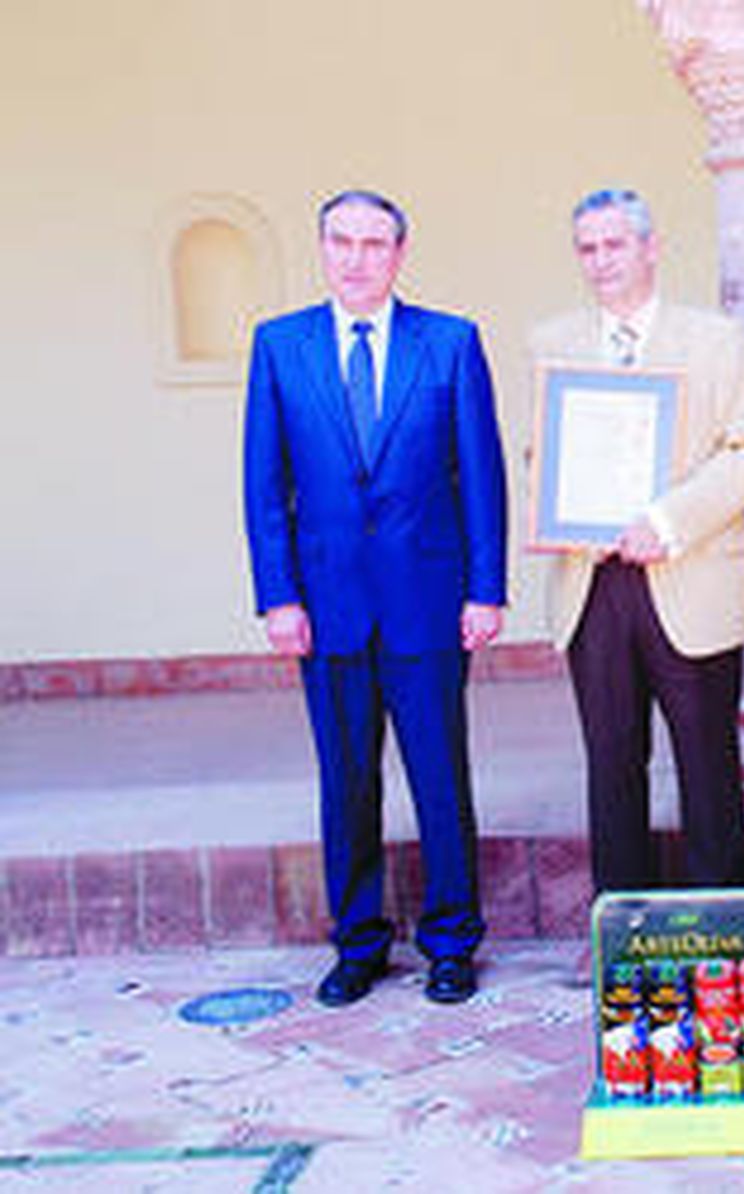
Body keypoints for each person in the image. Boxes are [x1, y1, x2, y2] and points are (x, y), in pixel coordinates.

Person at [243, 190, 508, 1007]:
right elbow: (264, 485)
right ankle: (358, 944)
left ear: (400, 254)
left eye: (374, 244)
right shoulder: (280, 346)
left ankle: (452, 943)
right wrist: (278, 597)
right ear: (322, 249)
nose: (357, 258)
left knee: (440, 779)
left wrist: (486, 589)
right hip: (326, 609)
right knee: (346, 781)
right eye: (341, 242)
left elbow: (482, 476)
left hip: (428, 603)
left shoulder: (451, 343)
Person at [528, 188, 744, 896]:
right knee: (611, 764)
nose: (601, 260)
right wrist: (560, 507)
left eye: (615, 244)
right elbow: (538, 454)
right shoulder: (552, 342)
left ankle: (721, 925)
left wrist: (665, 522)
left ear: (650, 246)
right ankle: (625, 926)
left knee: (706, 764)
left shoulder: (715, 339)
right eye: (587, 247)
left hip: (688, 572)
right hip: (592, 581)